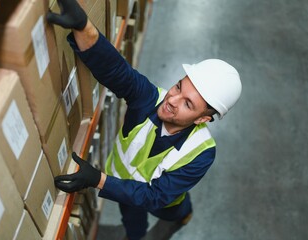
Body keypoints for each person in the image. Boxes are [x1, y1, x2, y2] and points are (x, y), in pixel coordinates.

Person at [47, 1, 242, 239]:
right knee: (131, 218)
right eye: (179, 87)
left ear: (202, 119)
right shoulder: (151, 99)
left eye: (187, 103)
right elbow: (117, 71)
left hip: (163, 201)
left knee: (173, 210)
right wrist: (83, 27)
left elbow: (155, 196)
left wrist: (98, 179)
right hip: (122, 183)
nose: (172, 99)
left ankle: (183, 216)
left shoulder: (201, 153)